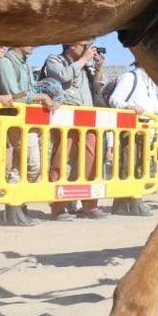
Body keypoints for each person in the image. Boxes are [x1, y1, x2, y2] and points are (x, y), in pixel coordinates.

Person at [43, 42, 105, 220]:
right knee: (61, 158)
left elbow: (96, 89)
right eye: (84, 45)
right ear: (71, 44)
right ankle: (58, 206)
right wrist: (83, 60)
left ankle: (89, 205)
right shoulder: (54, 60)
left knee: (91, 159)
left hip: (87, 116)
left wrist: (98, 68)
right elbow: (62, 76)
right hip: (64, 116)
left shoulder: (87, 65)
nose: (88, 49)